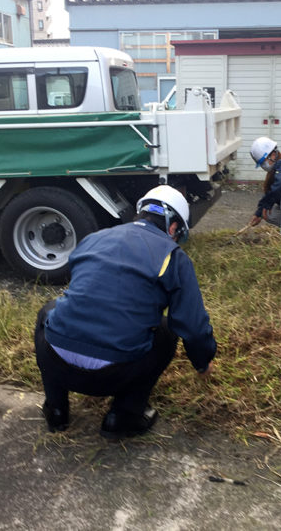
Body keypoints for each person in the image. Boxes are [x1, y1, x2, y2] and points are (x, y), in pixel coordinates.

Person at [34, 185, 216, 439]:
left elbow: (83, 288)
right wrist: (202, 362)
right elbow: (192, 327)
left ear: (141, 213)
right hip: (113, 375)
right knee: (166, 331)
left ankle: (56, 410)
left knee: (48, 311)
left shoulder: (95, 238)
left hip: (56, 361)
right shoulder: (173, 257)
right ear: (174, 228)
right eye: (179, 235)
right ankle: (123, 416)